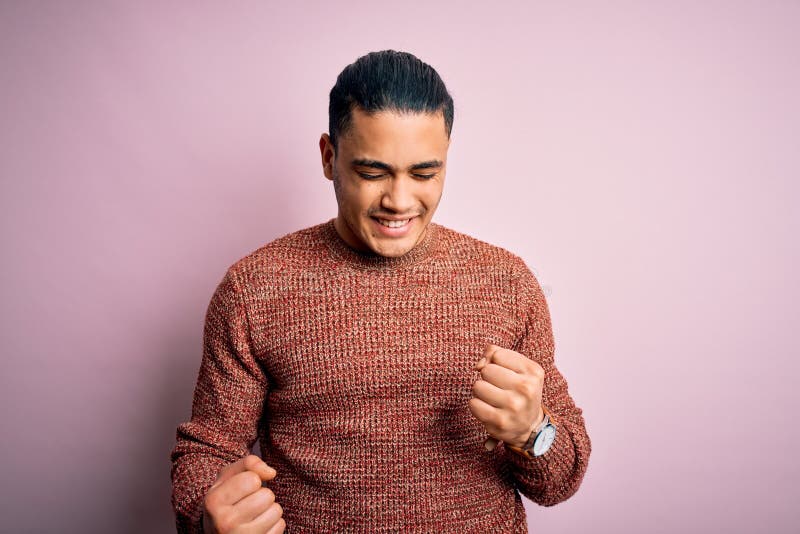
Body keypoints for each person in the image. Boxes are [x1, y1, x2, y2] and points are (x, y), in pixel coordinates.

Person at [170, 49, 592, 534]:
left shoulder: (507, 282)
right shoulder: (253, 289)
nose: (399, 200)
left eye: (424, 173)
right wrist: (207, 517)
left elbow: (561, 480)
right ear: (330, 158)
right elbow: (208, 452)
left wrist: (532, 429)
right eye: (373, 173)